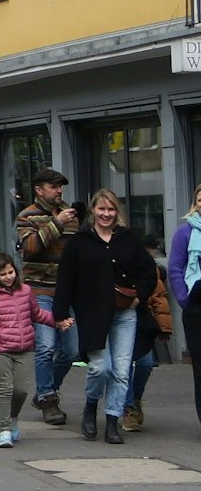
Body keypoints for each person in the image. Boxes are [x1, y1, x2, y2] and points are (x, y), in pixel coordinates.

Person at [51, 188, 158, 445]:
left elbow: (149, 272)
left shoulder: (128, 239)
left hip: (125, 314)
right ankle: (90, 408)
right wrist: (60, 312)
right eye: (101, 209)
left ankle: (112, 421)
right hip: (92, 314)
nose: (106, 214)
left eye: (111, 209)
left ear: (116, 212)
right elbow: (65, 279)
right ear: (93, 211)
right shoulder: (79, 242)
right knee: (100, 368)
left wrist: (137, 297)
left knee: (121, 370)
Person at [0, 251, 62, 449]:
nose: (8, 277)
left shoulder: (25, 291)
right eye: (3, 275)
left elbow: (36, 314)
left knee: (21, 390)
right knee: (6, 388)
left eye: (10, 272)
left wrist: (59, 321)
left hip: (24, 347)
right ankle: (4, 430)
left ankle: (12, 419)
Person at [17, 167, 81, 426]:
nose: (59, 190)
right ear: (39, 189)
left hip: (67, 292)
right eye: (53, 186)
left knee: (72, 350)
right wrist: (57, 224)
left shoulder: (72, 216)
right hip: (39, 290)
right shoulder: (27, 216)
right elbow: (30, 248)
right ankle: (48, 398)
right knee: (45, 347)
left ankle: (47, 389)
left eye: (61, 186)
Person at [122, 252, 172, 432]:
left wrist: (164, 328)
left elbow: (158, 298)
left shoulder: (148, 268)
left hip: (143, 322)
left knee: (146, 362)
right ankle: (128, 409)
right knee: (124, 365)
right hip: (120, 319)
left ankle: (135, 398)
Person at [173, 184, 201, 429]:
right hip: (196, 305)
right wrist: (184, 298)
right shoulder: (185, 232)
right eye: (200, 199)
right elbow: (175, 268)